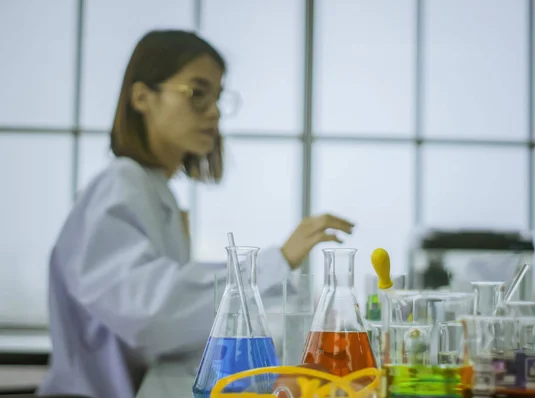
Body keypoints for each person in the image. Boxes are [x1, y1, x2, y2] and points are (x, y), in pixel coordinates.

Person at [38, 30, 354, 398]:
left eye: (218, 97)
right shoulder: (119, 185)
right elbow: (151, 314)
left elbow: (171, 291)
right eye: (197, 93)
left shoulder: (152, 189)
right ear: (142, 97)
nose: (215, 111)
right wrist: (278, 260)